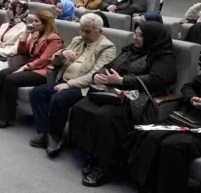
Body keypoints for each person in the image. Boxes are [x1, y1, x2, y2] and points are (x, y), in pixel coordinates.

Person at [69, 22, 177, 187]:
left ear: (152, 38)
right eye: (135, 33)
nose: (135, 37)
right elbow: (110, 66)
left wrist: (123, 80)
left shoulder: (163, 56)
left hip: (139, 96)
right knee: (81, 107)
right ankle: (94, 155)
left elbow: (157, 79)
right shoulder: (130, 50)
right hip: (115, 90)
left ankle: (107, 167)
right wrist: (99, 75)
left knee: (104, 117)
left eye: (140, 35)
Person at [29, 13, 116, 157]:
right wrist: (62, 53)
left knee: (58, 99)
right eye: (81, 30)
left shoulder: (107, 48)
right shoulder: (77, 40)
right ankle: (46, 133)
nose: (83, 34)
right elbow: (55, 62)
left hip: (85, 87)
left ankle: (56, 137)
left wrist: (70, 84)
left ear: (99, 31)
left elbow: (95, 75)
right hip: (64, 81)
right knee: (36, 93)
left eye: (87, 31)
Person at [0, 10, 63, 128]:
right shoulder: (35, 34)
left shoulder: (54, 39)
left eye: (36, 21)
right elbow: (22, 51)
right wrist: (25, 34)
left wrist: (26, 67)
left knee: (11, 79)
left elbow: (45, 60)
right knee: (2, 73)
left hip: (42, 72)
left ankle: (7, 117)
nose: (33, 23)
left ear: (45, 23)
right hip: (30, 66)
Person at [127, 73, 201, 192]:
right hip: (192, 119)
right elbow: (188, 87)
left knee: (173, 145)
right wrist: (192, 98)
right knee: (152, 134)